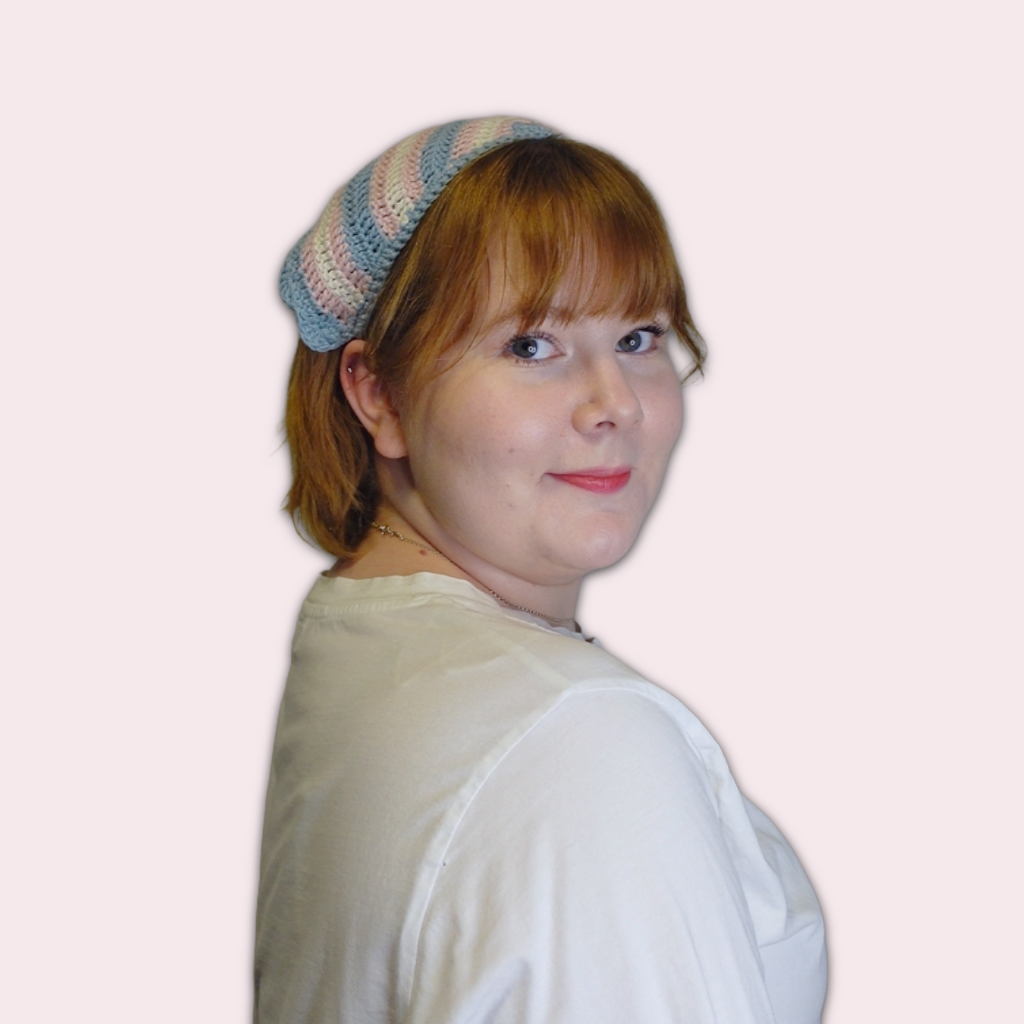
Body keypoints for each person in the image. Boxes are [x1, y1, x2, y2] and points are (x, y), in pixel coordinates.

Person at [255, 115, 827, 1024]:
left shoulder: (359, 634)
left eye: (639, 336)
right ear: (379, 393)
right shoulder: (580, 740)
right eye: (531, 345)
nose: (615, 404)